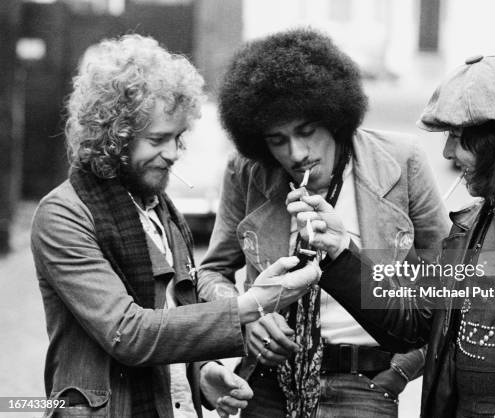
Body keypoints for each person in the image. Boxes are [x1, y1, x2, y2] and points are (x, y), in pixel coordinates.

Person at [290, 52, 495, 417]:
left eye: (458, 138)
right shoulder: (468, 230)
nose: (447, 152)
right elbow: (412, 326)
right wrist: (340, 251)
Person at [30, 34, 319, 418]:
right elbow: (129, 334)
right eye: (157, 139)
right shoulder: (63, 216)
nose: (172, 154)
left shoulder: (161, 209)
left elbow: (173, 313)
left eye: (178, 137)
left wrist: (202, 375)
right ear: (114, 136)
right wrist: (251, 304)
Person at [198, 28, 449, 418]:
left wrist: (400, 370)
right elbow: (212, 272)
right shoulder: (246, 172)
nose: (296, 153)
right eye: (278, 140)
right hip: (267, 382)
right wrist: (244, 317)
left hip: (365, 380)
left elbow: (449, 280)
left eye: (305, 132)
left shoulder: (401, 161)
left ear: (332, 116)